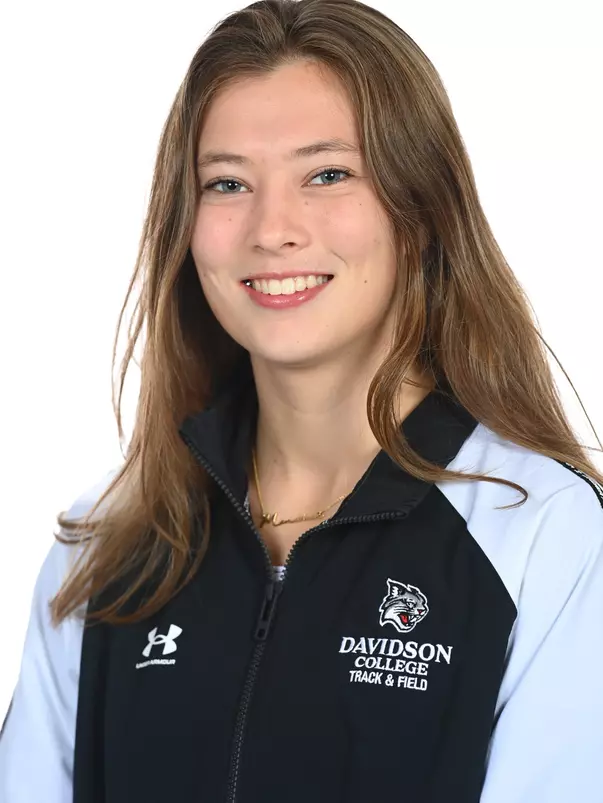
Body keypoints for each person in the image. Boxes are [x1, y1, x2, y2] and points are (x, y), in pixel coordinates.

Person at [1, 0, 602, 801]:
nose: (270, 227)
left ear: (419, 211)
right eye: (226, 183)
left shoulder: (545, 534)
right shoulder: (105, 547)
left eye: (327, 174)